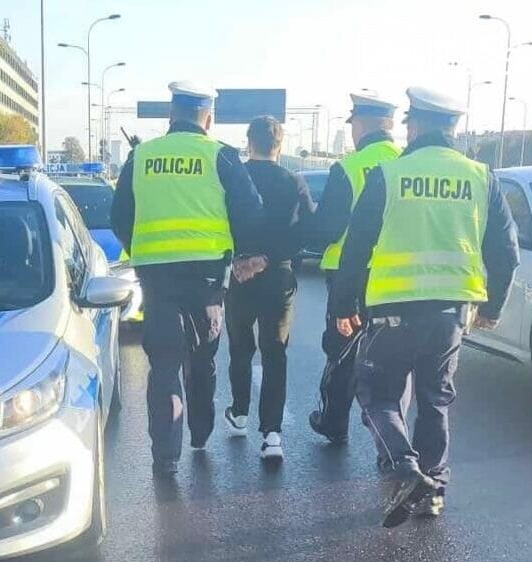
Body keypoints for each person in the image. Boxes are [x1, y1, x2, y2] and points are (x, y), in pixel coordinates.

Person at [329, 87, 520, 528]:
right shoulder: (481, 177)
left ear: (413, 125)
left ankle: (404, 468)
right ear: (453, 128)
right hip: (451, 313)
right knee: (435, 399)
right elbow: (506, 253)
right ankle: (433, 490)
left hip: (393, 310)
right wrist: (491, 307)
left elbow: (356, 248)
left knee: (378, 395)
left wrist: (344, 303)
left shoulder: (388, 176)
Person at [111, 81, 264, 476]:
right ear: (208, 118)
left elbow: (119, 217)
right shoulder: (221, 156)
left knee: (163, 363)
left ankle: (165, 454)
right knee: (202, 358)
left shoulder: (141, 156)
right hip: (207, 277)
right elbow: (250, 214)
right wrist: (242, 253)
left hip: (157, 278)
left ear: (170, 115)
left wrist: (143, 248)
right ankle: (199, 431)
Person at [307, 94, 403, 449]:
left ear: (361, 126)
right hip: (399, 279)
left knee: (342, 350)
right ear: (390, 125)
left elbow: (329, 229)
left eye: (354, 125)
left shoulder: (348, 168)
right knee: (394, 357)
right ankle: (394, 435)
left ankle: (334, 421)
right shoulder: (406, 165)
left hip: (351, 274)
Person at [223, 116, 315, 461]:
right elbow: (307, 231)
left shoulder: (235, 178)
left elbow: (219, 220)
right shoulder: (293, 181)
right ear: (279, 145)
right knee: (274, 352)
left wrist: (240, 261)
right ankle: (272, 434)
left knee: (240, 347)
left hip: (238, 275)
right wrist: (267, 259)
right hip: (277, 276)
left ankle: (240, 412)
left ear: (249, 142)